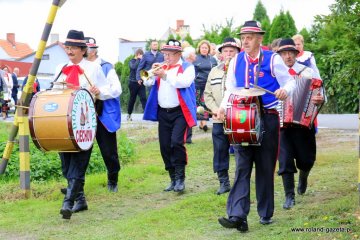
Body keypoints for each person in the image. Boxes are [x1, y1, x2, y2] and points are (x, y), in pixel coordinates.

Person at [216, 21, 296, 232]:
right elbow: (230, 88)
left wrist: (284, 91)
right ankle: (237, 215)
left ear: (260, 38)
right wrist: (224, 107)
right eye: (243, 38)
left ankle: (265, 212)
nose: (245, 41)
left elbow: (291, 82)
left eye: (250, 37)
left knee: (265, 166)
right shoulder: (236, 60)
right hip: (242, 117)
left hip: (268, 117)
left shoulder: (273, 59)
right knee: (242, 166)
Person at [53, 30, 110, 220]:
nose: (69, 51)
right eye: (68, 47)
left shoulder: (94, 68)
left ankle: (68, 203)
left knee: (79, 162)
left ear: (82, 50)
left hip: (85, 122)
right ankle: (81, 200)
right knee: (66, 165)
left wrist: (99, 91)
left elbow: (109, 88)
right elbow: (54, 92)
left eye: (74, 48)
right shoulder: (61, 68)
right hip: (63, 123)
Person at [143, 39, 197, 193]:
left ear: (178, 53)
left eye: (169, 54)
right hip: (163, 112)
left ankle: (180, 178)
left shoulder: (188, 67)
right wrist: (151, 73)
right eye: (164, 54)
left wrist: (165, 75)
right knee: (165, 146)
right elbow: (147, 83)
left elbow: (183, 83)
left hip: (180, 112)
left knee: (176, 142)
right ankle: (172, 178)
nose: (166, 57)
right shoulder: (162, 67)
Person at [276, 38, 324, 210]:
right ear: (279, 55)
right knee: (285, 159)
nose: (288, 56)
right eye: (284, 53)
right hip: (281, 124)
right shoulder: (275, 73)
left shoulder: (307, 72)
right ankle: (289, 196)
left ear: (296, 54)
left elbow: (320, 92)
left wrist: (320, 99)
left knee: (306, 159)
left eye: (291, 53)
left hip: (303, 122)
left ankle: (303, 176)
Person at [85, 37, 122, 194]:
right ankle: (75, 185)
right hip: (84, 113)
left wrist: (101, 93)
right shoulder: (80, 67)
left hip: (103, 112)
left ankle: (113, 180)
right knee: (81, 150)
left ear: (93, 51)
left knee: (108, 150)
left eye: (85, 49)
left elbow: (116, 89)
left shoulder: (106, 67)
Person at [204, 37, 240, 195]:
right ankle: (223, 181)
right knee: (220, 150)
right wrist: (217, 110)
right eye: (225, 51)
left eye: (232, 51)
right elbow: (207, 94)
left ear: (238, 53)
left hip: (239, 118)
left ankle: (241, 180)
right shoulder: (214, 71)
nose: (229, 54)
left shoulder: (242, 70)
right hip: (219, 118)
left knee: (241, 150)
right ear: (221, 54)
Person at [193, 40, 218, 131]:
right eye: (202, 48)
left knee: (207, 103)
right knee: (200, 104)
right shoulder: (195, 58)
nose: (204, 49)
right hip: (198, 84)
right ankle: (203, 123)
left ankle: (202, 123)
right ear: (199, 48)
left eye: (206, 48)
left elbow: (216, 70)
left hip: (209, 84)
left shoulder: (212, 59)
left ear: (208, 49)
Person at [182, 46, 197, 144]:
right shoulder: (186, 65)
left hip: (191, 90)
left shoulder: (190, 65)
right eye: (194, 53)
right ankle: (187, 138)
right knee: (189, 112)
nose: (196, 55)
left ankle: (188, 137)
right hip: (187, 92)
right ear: (190, 55)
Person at [127, 48, 146, 121]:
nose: (142, 57)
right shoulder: (132, 61)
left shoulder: (142, 62)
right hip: (133, 83)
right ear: (138, 55)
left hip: (141, 82)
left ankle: (146, 114)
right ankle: (129, 114)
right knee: (132, 99)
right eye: (141, 55)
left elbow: (144, 71)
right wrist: (138, 59)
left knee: (143, 98)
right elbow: (133, 67)